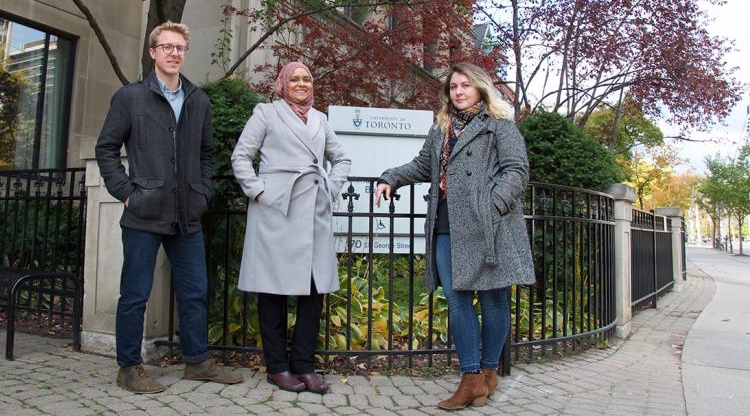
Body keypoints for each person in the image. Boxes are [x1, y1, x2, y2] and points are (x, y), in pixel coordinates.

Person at [375, 62, 535, 410]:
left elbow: (517, 171)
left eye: (465, 85)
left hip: (488, 227)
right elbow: (422, 166)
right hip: (447, 226)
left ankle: (488, 372)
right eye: (453, 87)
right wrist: (390, 177)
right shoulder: (442, 128)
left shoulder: (500, 127)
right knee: (458, 301)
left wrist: (491, 205)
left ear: (480, 88)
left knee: (494, 301)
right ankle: (471, 376)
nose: (458, 92)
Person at [96, 21, 243, 393]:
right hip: (144, 213)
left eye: (179, 48)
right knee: (135, 294)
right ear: (153, 53)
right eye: (167, 47)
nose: (174, 53)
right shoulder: (130, 97)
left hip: (187, 215)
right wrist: (127, 193)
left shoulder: (198, 100)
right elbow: (106, 149)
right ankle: (129, 367)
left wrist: (202, 192)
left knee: (195, 291)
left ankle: (197, 361)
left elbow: (207, 154)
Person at [231, 61, 351, 394]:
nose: (301, 83)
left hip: (313, 212)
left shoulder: (320, 119)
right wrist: (259, 191)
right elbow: (241, 156)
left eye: (307, 79)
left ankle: (304, 365)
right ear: (283, 83)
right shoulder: (266, 113)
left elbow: (341, 159)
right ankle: (277, 367)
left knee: (314, 293)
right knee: (273, 292)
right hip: (275, 212)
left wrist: (331, 187)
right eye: (295, 79)